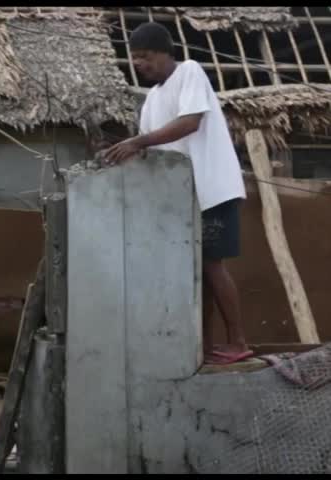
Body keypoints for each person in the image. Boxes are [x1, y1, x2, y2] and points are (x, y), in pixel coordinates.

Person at [103, 22, 249, 365]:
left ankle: (239, 341)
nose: (140, 64)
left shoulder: (190, 72)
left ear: (166, 54)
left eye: (146, 57)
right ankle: (208, 343)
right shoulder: (151, 99)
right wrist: (119, 152)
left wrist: (137, 142)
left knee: (213, 267)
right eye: (135, 59)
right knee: (199, 272)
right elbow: (149, 150)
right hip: (185, 198)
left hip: (214, 189)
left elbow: (189, 122)